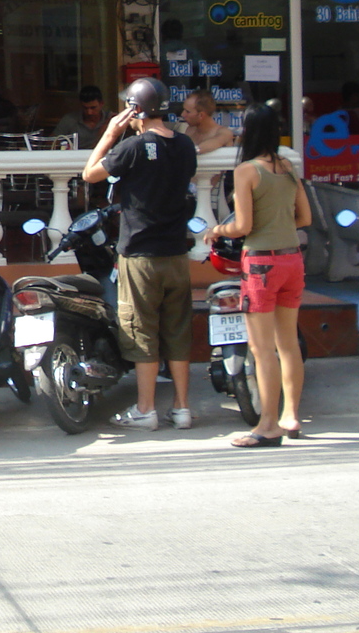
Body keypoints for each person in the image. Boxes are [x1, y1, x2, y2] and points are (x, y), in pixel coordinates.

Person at [82, 76, 198, 431]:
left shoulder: (131, 147)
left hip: (140, 255)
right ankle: (181, 408)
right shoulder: (185, 145)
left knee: (141, 331)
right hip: (177, 253)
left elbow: (90, 175)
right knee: (177, 331)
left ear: (136, 110)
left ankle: (145, 409)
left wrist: (109, 134)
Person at [205, 103, 312, 446]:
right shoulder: (288, 168)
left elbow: (243, 226)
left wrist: (218, 230)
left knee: (262, 348)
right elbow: (305, 218)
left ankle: (268, 424)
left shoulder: (247, 171)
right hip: (292, 259)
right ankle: (291, 416)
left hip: (262, 264)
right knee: (288, 344)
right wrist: (278, 225)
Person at [51, 85, 110, 149]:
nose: (89, 112)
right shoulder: (69, 119)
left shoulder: (111, 119)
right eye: (85, 108)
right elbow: (50, 144)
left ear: (102, 104)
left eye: (93, 108)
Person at [180, 89, 236, 154]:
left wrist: (190, 151)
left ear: (201, 115)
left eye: (187, 112)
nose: (182, 114)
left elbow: (216, 141)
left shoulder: (224, 133)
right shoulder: (190, 130)